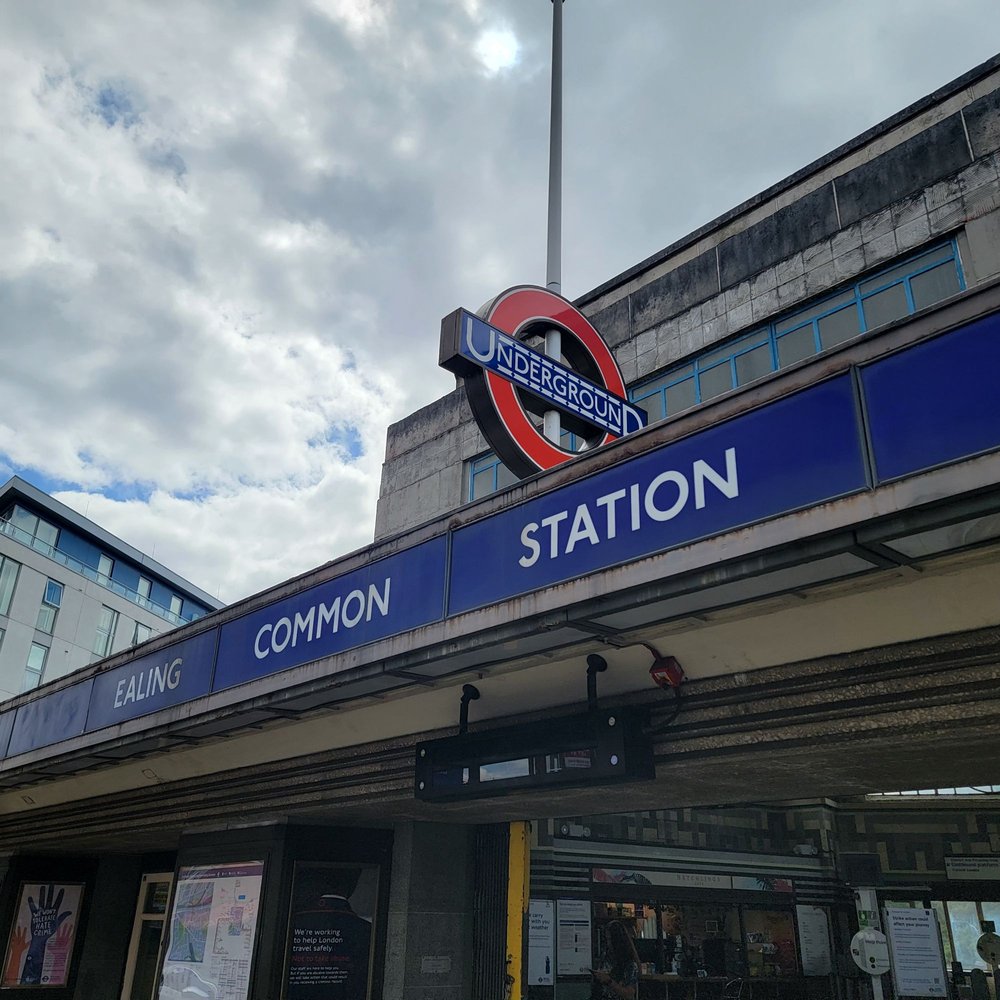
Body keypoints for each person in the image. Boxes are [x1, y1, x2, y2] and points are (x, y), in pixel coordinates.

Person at [592, 920, 640, 1000]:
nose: (608, 943)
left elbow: (629, 994)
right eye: (607, 940)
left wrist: (609, 981)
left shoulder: (630, 965)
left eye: (610, 940)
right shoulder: (606, 958)